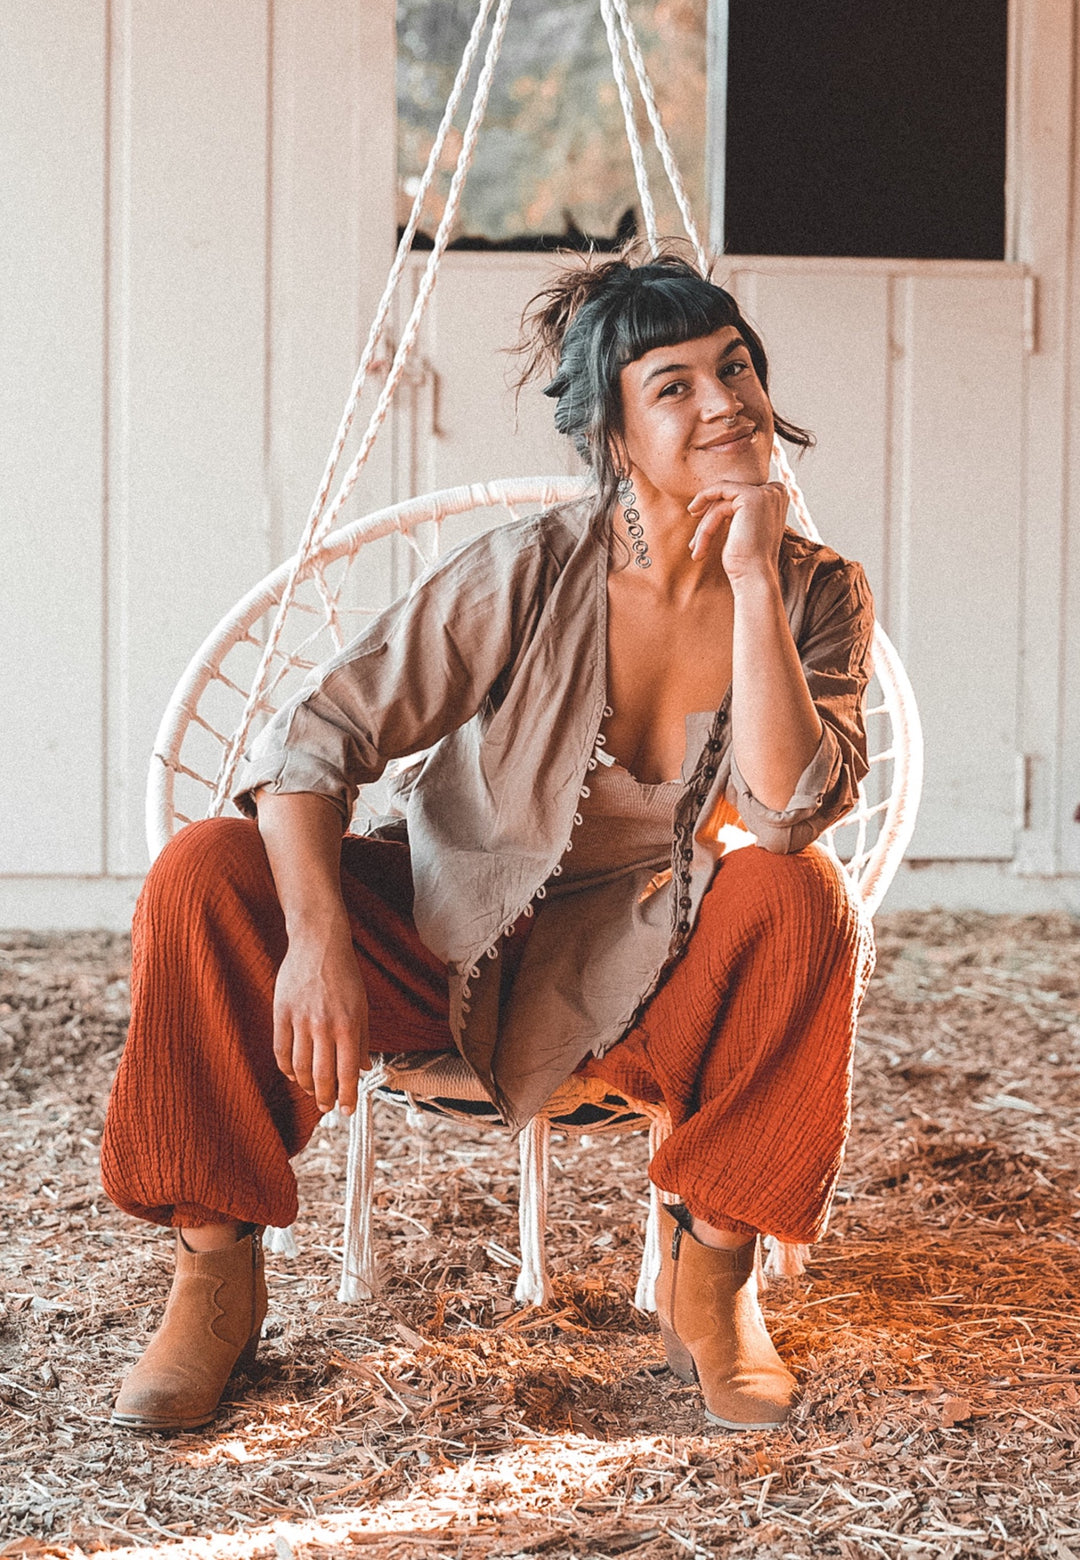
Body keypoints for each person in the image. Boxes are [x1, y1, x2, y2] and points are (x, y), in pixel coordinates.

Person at [101, 246, 876, 1435]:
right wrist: (316, 941)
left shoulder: (819, 592)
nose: (725, 401)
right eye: (674, 385)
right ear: (615, 435)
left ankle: (711, 1277)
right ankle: (215, 1274)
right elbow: (313, 744)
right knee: (207, 868)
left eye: (736, 368)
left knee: (798, 892)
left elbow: (782, 809)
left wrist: (755, 581)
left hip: (644, 971)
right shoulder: (528, 570)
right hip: (439, 935)